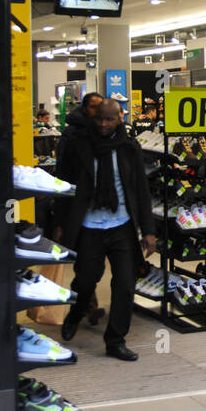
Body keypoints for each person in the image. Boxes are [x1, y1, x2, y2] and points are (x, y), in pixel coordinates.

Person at [54, 99, 157, 361]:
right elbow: (62, 185)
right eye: (99, 118)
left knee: (124, 283)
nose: (103, 124)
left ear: (120, 118)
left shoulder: (129, 148)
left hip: (122, 225)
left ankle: (115, 340)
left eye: (109, 119)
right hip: (89, 226)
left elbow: (141, 191)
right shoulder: (79, 145)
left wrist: (148, 230)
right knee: (87, 280)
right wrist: (59, 225)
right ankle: (77, 312)